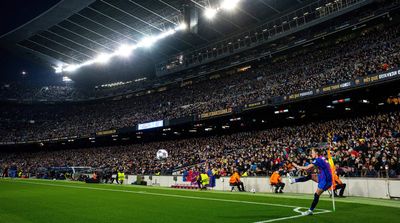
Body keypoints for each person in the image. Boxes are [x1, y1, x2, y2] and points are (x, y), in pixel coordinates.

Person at [288, 148, 332, 216]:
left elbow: (307, 167)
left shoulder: (318, 160)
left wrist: (296, 166)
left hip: (325, 180)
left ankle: (310, 211)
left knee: (316, 195)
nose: (311, 154)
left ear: (316, 153)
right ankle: (293, 180)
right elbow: (324, 166)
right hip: (324, 176)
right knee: (310, 176)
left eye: (312, 152)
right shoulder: (322, 157)